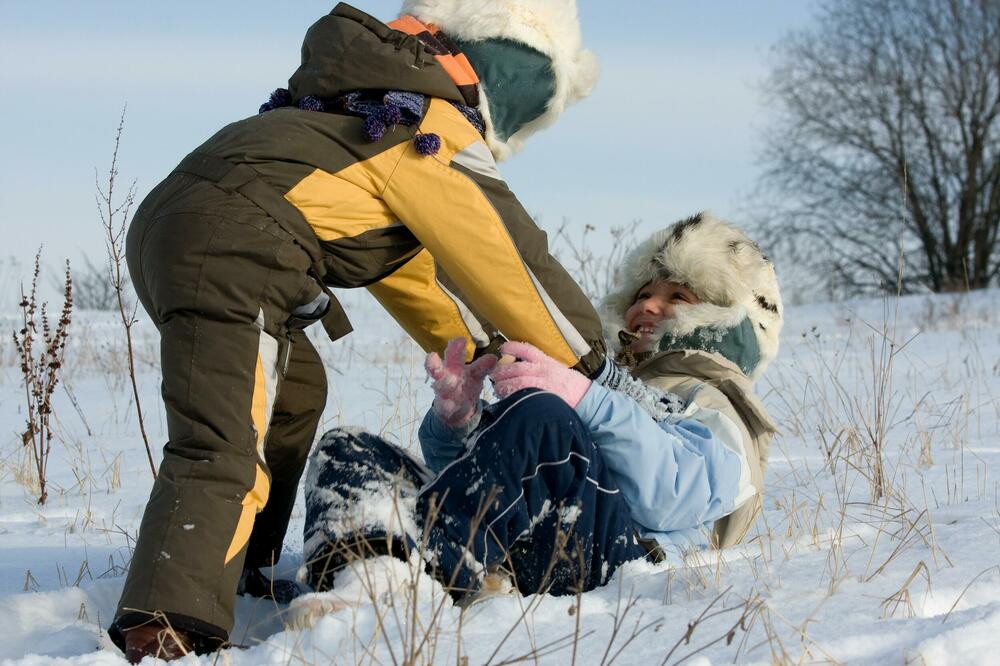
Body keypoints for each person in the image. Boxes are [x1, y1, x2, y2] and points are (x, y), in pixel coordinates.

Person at [110, 1, 679, 661]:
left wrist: (487, 359)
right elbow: (512, 261)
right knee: (224, 432)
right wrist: (588, 365)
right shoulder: (424, 129)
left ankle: (238, 567)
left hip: (175, 227)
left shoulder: (358, 117)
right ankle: (165, 622)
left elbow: (422, 285)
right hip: (234, 244)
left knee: (292, 393)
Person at [303, 212, 782, 603]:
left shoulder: (715, 396)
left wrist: (585, 400)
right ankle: (352, 579)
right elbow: (493, 485)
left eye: (677, 296)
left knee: (541, 416)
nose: (649, 306)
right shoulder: (608, 380)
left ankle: (416, 581)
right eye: (643, 294)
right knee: (348, 446)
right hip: (540, 535)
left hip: (620, 556)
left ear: (722, 317)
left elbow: (676, 495)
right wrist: (461, 424)